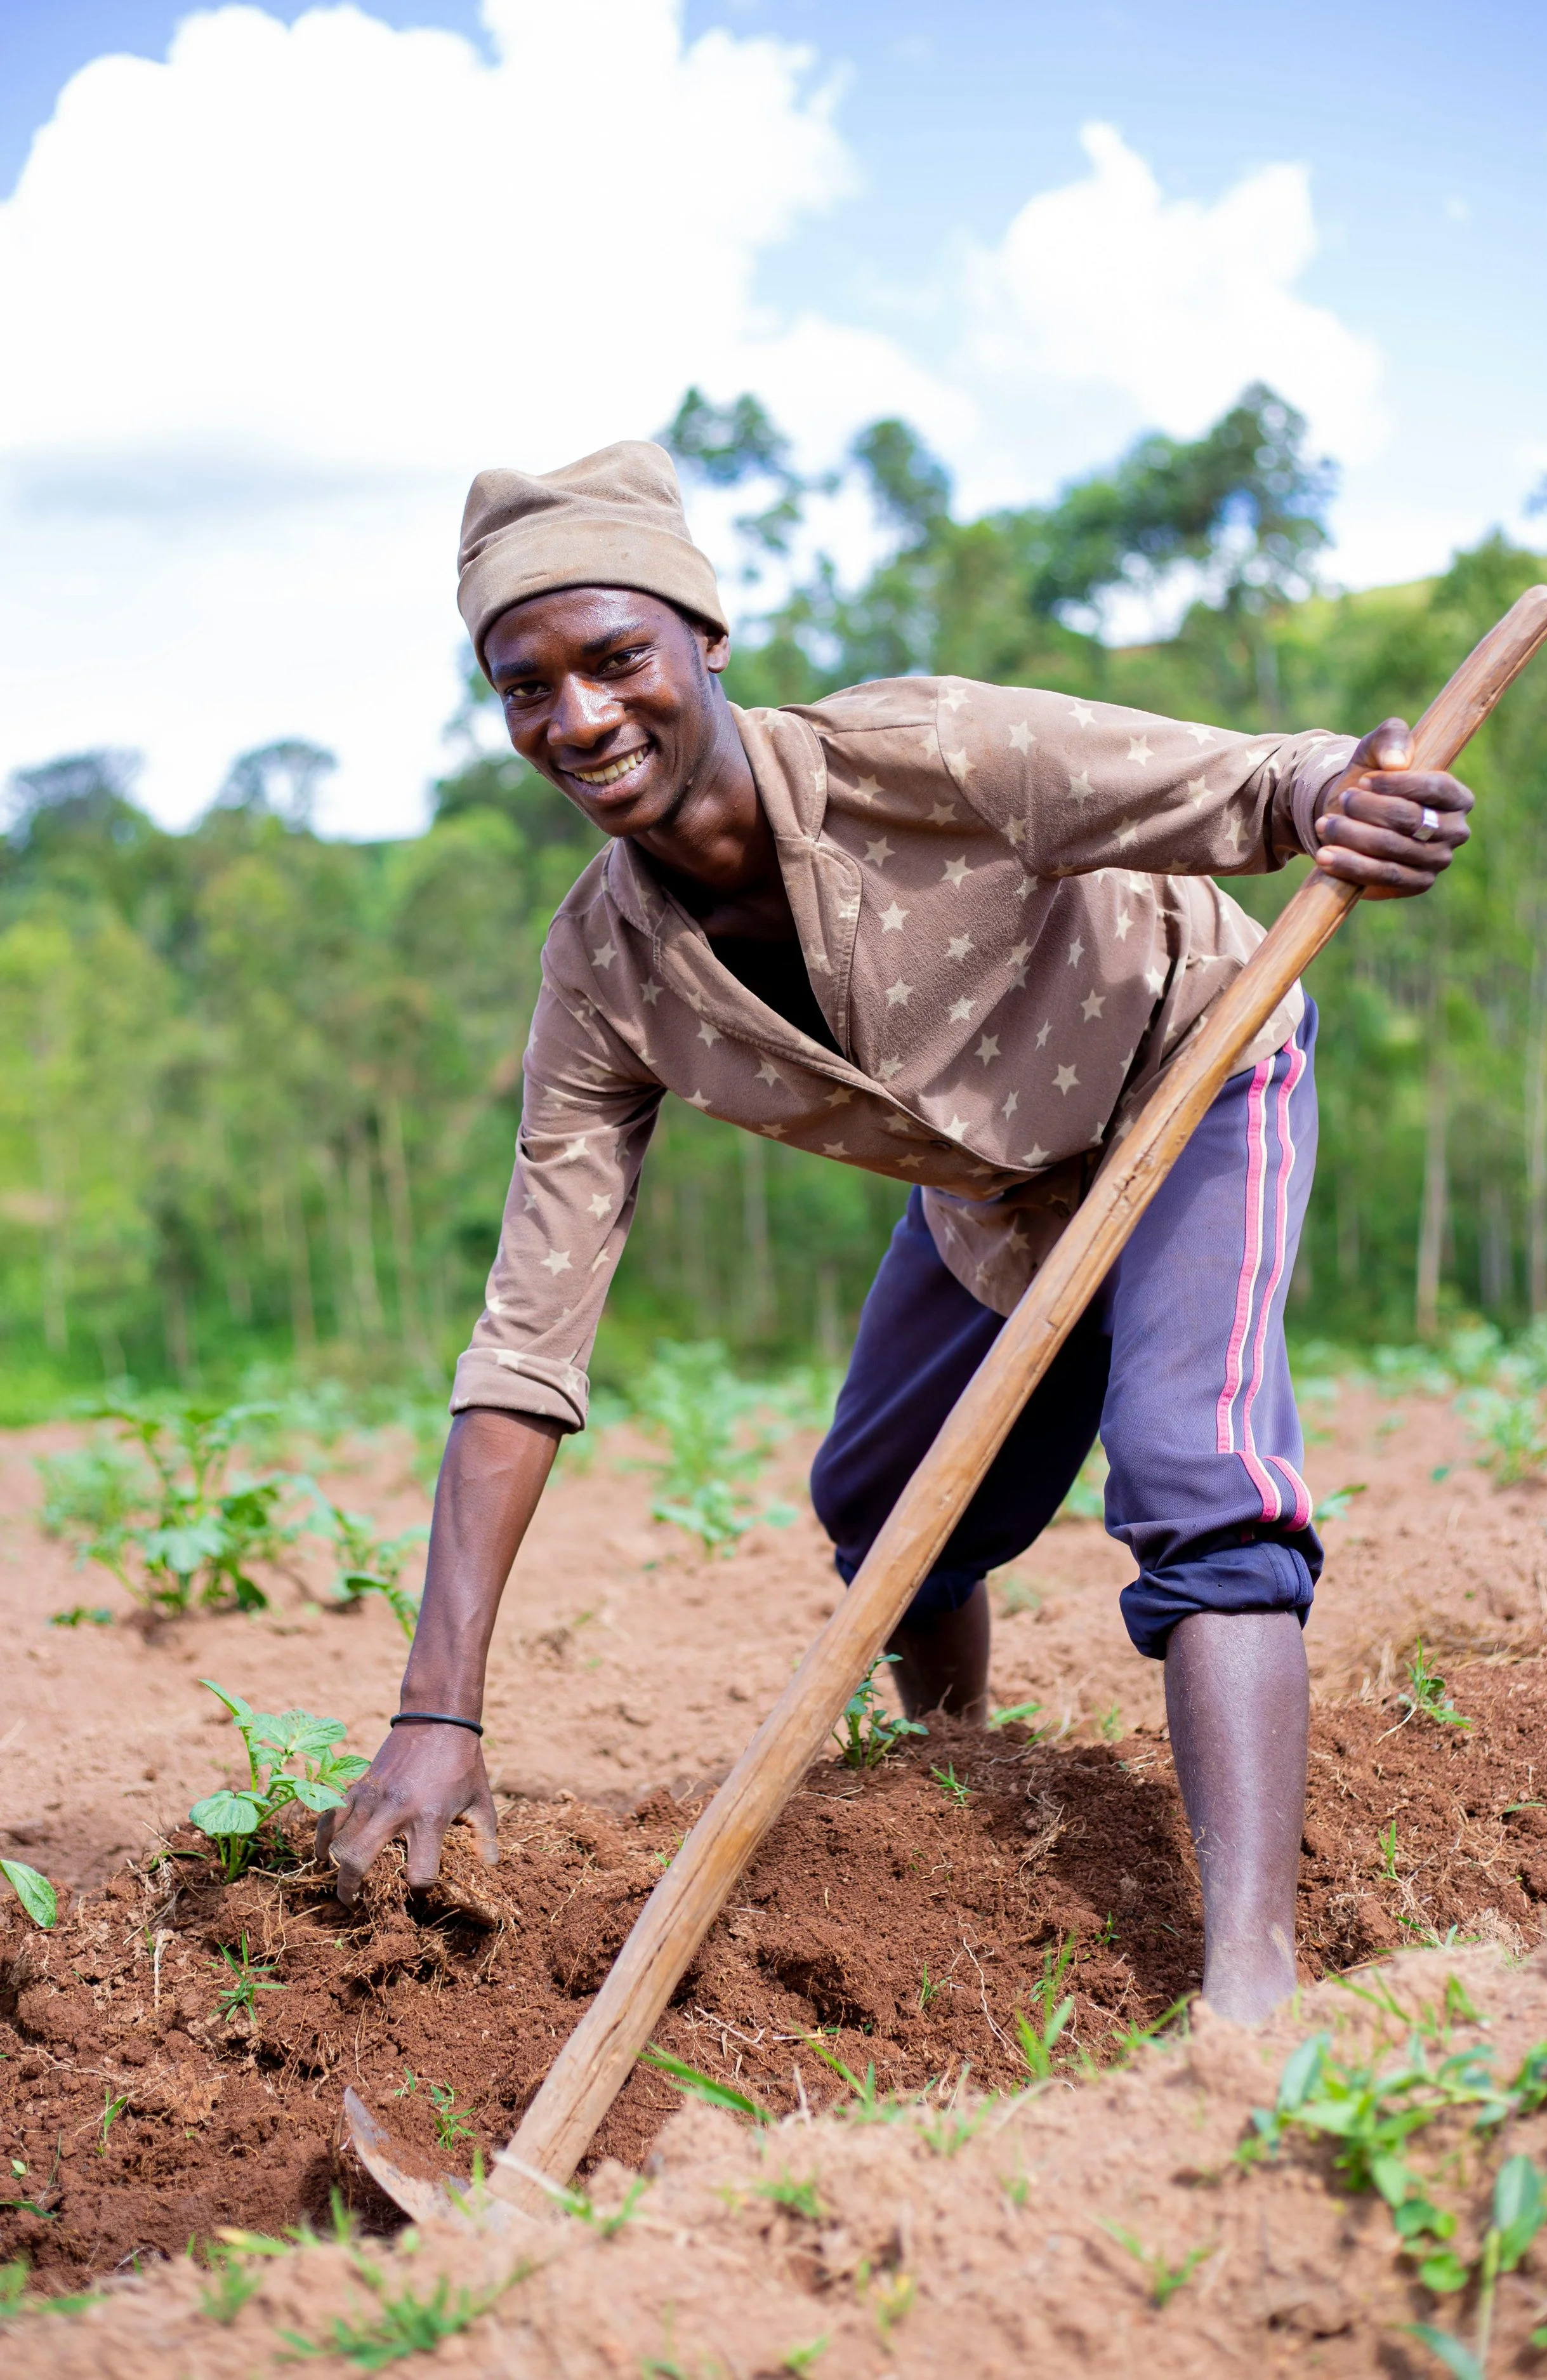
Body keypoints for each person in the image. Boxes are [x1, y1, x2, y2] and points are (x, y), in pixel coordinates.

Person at [318, 440, 1473, 2022]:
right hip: (991, 1195)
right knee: (879, 1499)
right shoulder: (603, 975)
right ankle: (957, 1788)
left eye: (614, 660)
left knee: (1193, 1471)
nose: (577, 718)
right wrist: (435, 1711)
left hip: (1189, 1071)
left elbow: (1236, 779)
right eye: (525, 688)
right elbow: (528, 1338)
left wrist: (1338, 796)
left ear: (704, 644)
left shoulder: (918, 750)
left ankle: (1248, 1983)